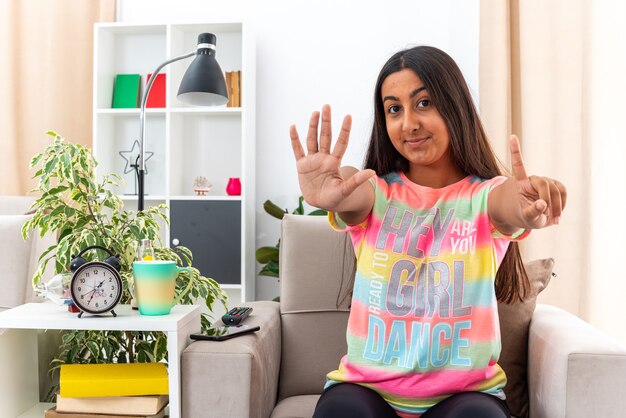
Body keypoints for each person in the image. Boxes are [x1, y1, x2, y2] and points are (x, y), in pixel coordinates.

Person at [289, 46, 567, 418]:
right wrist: (329, 192)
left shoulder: (483, 198)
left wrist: (528, 204)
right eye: (394, 109)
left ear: (455, 106)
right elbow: (352, 192)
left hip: (465, 398)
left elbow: (509, 203)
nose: (408, 123)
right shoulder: (376, 194)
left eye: (424, 103)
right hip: (366, 392)